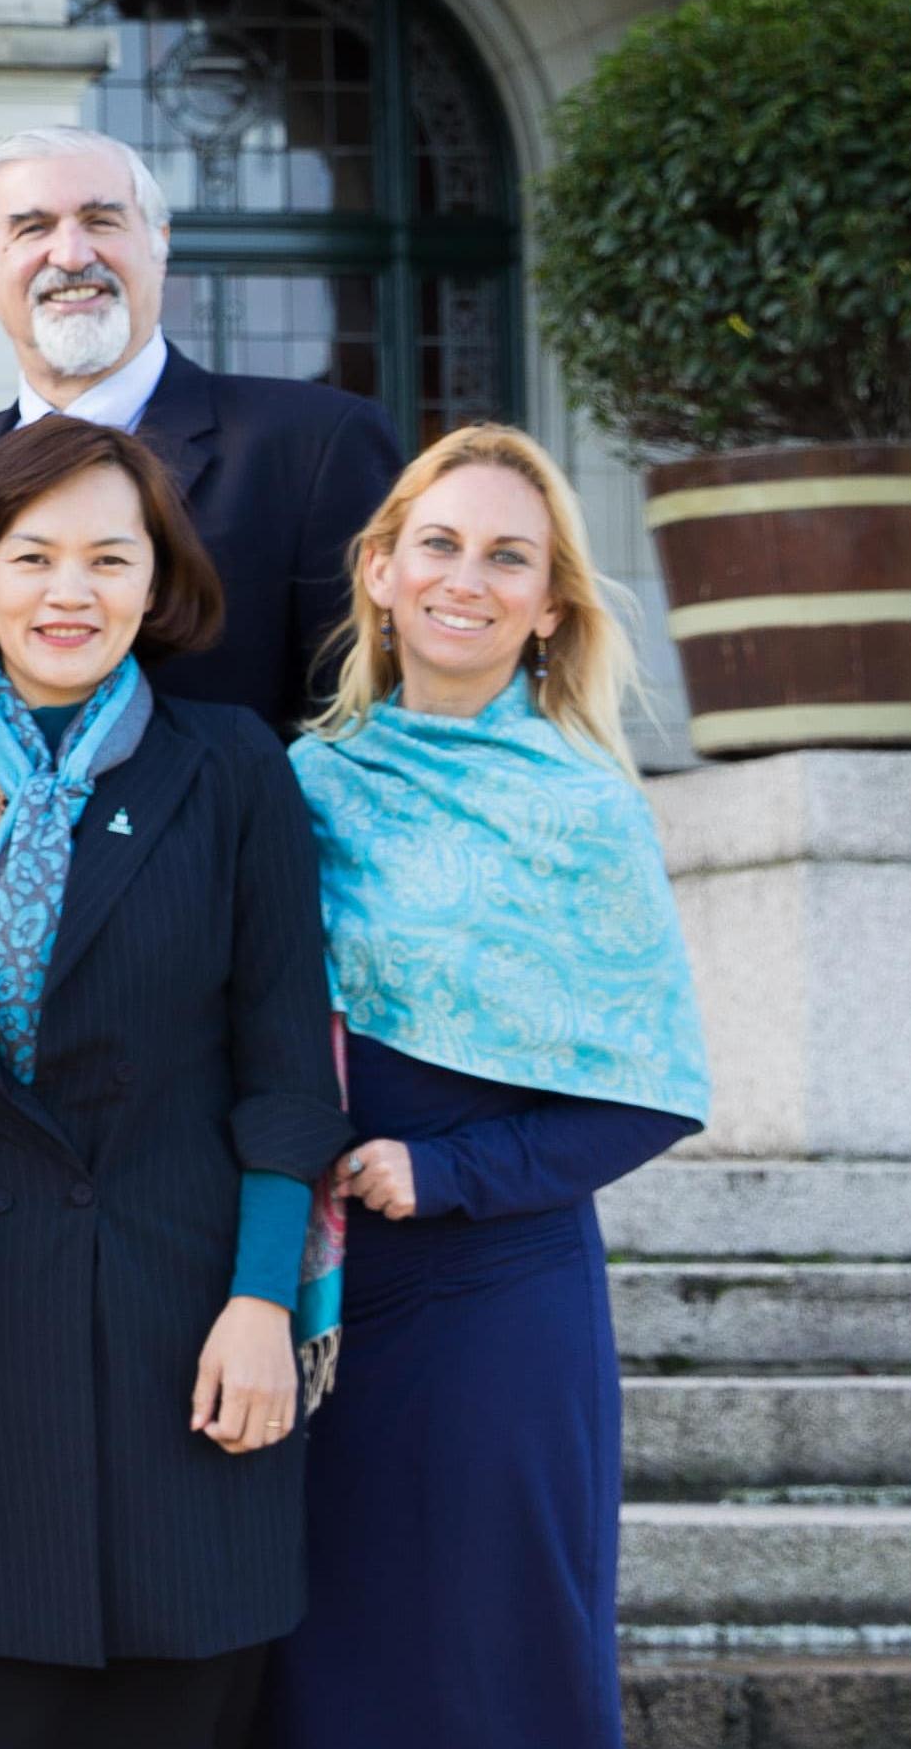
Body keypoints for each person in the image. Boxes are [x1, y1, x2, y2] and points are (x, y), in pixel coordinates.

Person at [0, 419, 342, 1749]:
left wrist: (263, 1296)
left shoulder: (233, 763)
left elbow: (290, 1064)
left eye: (108, 558)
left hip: (196, 1337)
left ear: (154, 580)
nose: (70, 590)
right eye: (34, 555)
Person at [261, 427, 706, 1749]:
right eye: (439, 543)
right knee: (329, 1663)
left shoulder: (588, 807)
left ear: (549, 603)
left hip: (500, 1298)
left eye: (508, 554)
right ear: (382, 570)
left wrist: (448, 1170)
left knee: (493, 1663)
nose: (470, 576)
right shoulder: (302, 782)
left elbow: (653, 1088)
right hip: (324, 1297)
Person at [0, 127, 403, 738]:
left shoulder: (313, 449)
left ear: (159, 246)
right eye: (32, 228)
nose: (70, 255)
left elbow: (361, 726)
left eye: (101, 221)